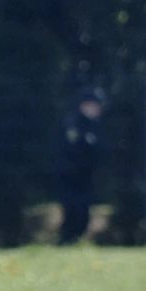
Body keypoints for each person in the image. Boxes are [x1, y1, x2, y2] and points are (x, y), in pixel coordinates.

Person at [56, 88, 103, 244]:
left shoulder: (95, 126)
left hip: (86, 177)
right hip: (70, 176)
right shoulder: (74, 124)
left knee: (83, 213)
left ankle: (73, 240)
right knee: (72, 210)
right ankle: (66, 240)